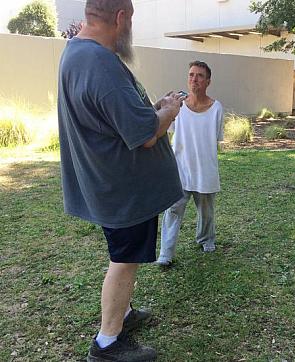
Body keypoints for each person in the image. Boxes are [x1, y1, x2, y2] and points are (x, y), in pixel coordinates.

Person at [57, 0, 185, 360]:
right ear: (121, 17)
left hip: (108, 184)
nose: (130, 29)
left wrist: (154, 107)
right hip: (123, 190)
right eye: (131, 21)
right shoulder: (99, 62)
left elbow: (113, 117)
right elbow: (144, 135)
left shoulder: (76, 53)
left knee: (123, 255)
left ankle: (124, 314)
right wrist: (169, 112)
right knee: (124, 260)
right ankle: (107, 342)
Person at [156, 61, 224, 267]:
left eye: (200, 75)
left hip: (205, 169)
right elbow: (165, 132)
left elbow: (215, 138)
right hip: (180, 170)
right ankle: (166, 253)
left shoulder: (216, 108)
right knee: (173, 210)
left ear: (208, 81)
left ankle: (206, 239)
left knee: (206, 211)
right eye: (191, 75)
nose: (194, 79)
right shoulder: (177, 107)